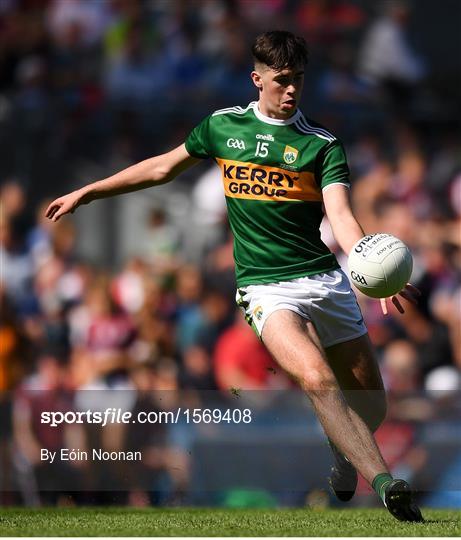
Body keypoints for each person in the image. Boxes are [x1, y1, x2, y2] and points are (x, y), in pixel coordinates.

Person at [46, 30, 423, 521]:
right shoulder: (222, 128)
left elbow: (343, 217)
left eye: (299, 81)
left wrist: (373, 271)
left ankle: (342, 449)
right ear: (257, 78)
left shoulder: (322, 145)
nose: (291, 91)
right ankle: (387, 484)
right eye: (282, 80)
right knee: (315, 378)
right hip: (265, 287)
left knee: (372, 408)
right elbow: (163, 168)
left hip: (324, 281)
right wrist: (90, 191)